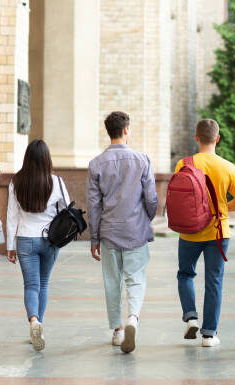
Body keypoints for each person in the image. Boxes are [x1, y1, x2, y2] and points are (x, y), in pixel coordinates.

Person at [87, 111, 158, 354]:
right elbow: (151, 198)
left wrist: (94, 237)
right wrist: (147, 218)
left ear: (109, 132)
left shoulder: (96, 164)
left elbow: (94, 204)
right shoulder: (142, 160)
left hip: (108, 230)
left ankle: (117, 330)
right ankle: (133, 319)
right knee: (135, 277)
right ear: (126, 130)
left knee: (112, 280)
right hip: (135, 230)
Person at [174, 119, 235, 347]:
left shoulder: (184, 163)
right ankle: (209, 335)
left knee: (185, 274)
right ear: (217, 138)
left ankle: (191, 317)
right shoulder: (228, 167)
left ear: (196, 137)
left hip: (190, 231)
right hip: (218, 232)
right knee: (214, 281)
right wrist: (222, 207)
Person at [5, 139, 70, 352]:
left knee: (31, 285)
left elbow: (12, 215)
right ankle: (39, 323)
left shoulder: (17, 181)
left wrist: (10, 245)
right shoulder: (56, 182)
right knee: (44, 283)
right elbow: (67, 210)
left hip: (25, 239)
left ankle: (34, 321)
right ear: (47, 159)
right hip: (50, 241)